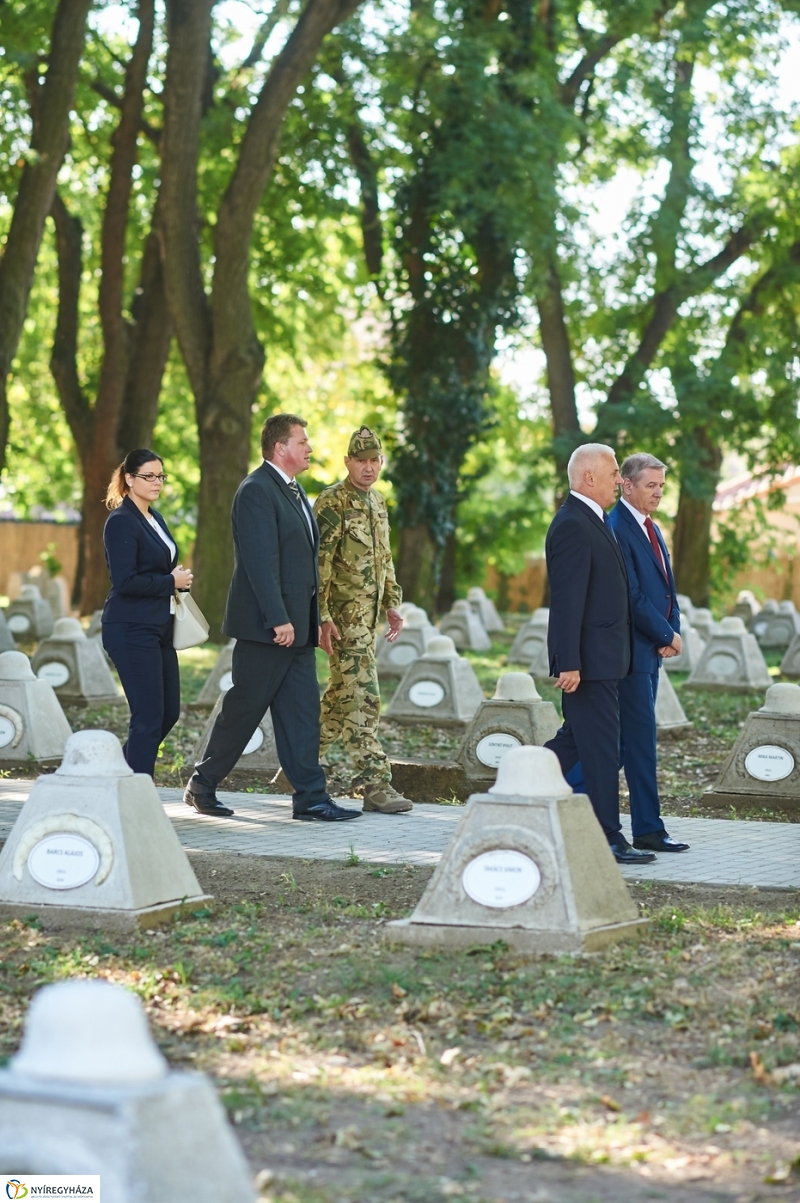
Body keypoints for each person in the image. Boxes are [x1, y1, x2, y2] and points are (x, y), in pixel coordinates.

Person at [183, 414, 360, 822]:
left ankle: (311, 798)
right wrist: (279, 618)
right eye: (302, 442)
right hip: (268, 631)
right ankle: (202, 785)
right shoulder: (256, 491)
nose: (310, 448)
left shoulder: (293, 490)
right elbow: (260, 563)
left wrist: (315, 619)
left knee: (302, 715)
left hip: (298, 630)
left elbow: (303, 566)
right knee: (243, 711)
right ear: (280, 448)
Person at [543, 443, 655, 865]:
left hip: (607, 659)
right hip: (588, 664)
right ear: (589, 477)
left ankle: (513, 784)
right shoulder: (572, 524)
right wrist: (569, 662)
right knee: (602, 751)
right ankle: (608, 836)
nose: (618, 481)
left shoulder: (597, 519)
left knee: (575, 743)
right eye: (612, 474)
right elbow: (567, 600)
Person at [313, 426, 414, 814]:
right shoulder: (333, 501)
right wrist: (322, 616)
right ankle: (375, 783)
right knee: (364, 697)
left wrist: (391, 603)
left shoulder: (377, 501)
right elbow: (318, 565)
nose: (368, 467)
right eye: (361, 461)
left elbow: (384, 558)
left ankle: (299, 766)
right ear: (348, 462)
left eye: (374, 460)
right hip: (342, 621)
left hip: (367, 620)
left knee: (340, 698)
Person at [607, 453, 690, 852]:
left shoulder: (650, 526)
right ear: (627, 485)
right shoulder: (616, 526)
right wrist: (666, 633)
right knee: (636, 742)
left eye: (661, 486)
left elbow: (666, 588)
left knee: (633, 743)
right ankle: (648, 828)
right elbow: (631, 596)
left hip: (650, 651)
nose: (658, 493)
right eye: (650, 485)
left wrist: (673, 628)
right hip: (630, 652)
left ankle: (645, 827)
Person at [102, 448, 191, 778]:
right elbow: (125, 581)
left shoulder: (155, 518)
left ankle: (114, 776)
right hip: (129, 628)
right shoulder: (121, 521)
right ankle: (137, 795)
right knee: (148, 716)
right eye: (148, 476)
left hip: (159, 627)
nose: (157, 482)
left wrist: (176, 580)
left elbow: (156, 568)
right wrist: (170, 581)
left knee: (168, 713)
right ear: (129, 478)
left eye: (160, 476)